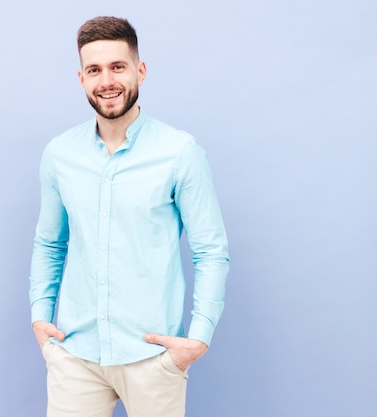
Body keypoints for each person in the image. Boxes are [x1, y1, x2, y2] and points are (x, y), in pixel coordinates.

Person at [29, 16, 229, 417]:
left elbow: (211, 250)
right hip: (75, 355)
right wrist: (40, 317)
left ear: (140, 70)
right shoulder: (59, 155)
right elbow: (50, 243)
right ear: (82, 78)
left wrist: (198, 337)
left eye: (118, 66)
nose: (107, 80)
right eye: (94, 70)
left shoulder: (179, 152)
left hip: (153, 358)